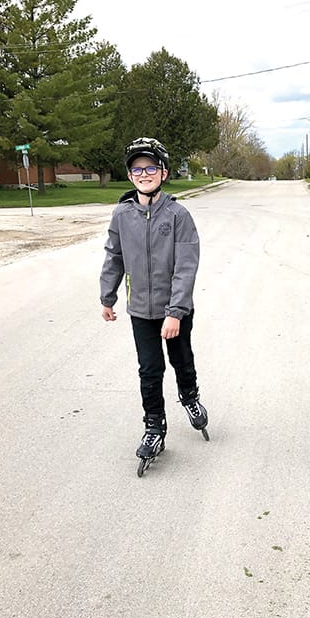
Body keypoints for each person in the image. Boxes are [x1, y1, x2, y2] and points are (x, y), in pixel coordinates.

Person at [99, 137, 208, 462]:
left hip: (175, 310)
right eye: (137, 169)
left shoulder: (178, 215)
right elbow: (114, 256)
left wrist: (175, 312)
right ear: (130, 175)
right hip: (141, 311)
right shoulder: (122, 215)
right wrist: (107, 296)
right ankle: (154, 426)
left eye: (150, 167)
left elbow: (186, 267)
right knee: (149, 369)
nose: (143, 173)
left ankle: (189, 396)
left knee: (181, 359)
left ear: (163, 172)